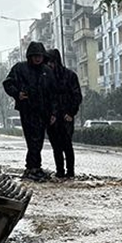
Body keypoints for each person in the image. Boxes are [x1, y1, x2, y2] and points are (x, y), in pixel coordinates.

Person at [3, 41, 57, 180]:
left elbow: (53, 94)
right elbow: (8, 83)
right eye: (35, 56)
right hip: (27, 109)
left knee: (38, 139)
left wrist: (53, 112)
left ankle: (33, 167)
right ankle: (33, 167)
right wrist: (17, 93)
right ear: (30, 56)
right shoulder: (20, 68)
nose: (37, 58)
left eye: (40, 55)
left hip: (43, 110)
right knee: (32, 139)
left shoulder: (47, 71)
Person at [45, 48, 82, 179]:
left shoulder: (70, 76)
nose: (49, 65)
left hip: (66, 117)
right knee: (56, 146)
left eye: (51, 62)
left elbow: (77, 96)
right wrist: (49, 115)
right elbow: (46, 98)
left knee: (67, 145)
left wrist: (71, 112)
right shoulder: (46, 77)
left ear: (56, 61)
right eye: (47, 62)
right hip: (52, 118)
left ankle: (70, 172)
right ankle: (60, 171)